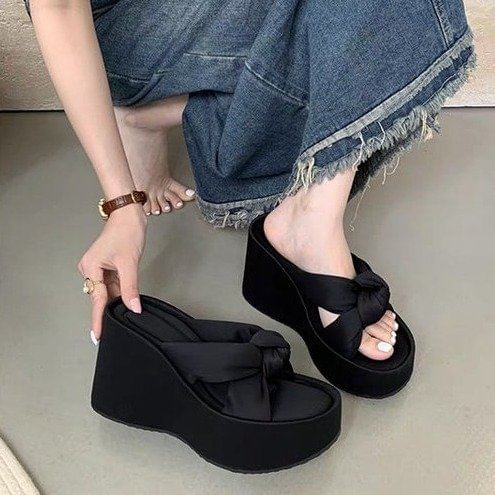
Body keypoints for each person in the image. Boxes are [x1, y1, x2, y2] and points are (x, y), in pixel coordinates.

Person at [26, 0, 474, 359]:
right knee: (342, 31)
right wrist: (122, 204)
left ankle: (192, 124)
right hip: (124, 24)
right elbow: (58, 8)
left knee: (340, 33)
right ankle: (310, 223)